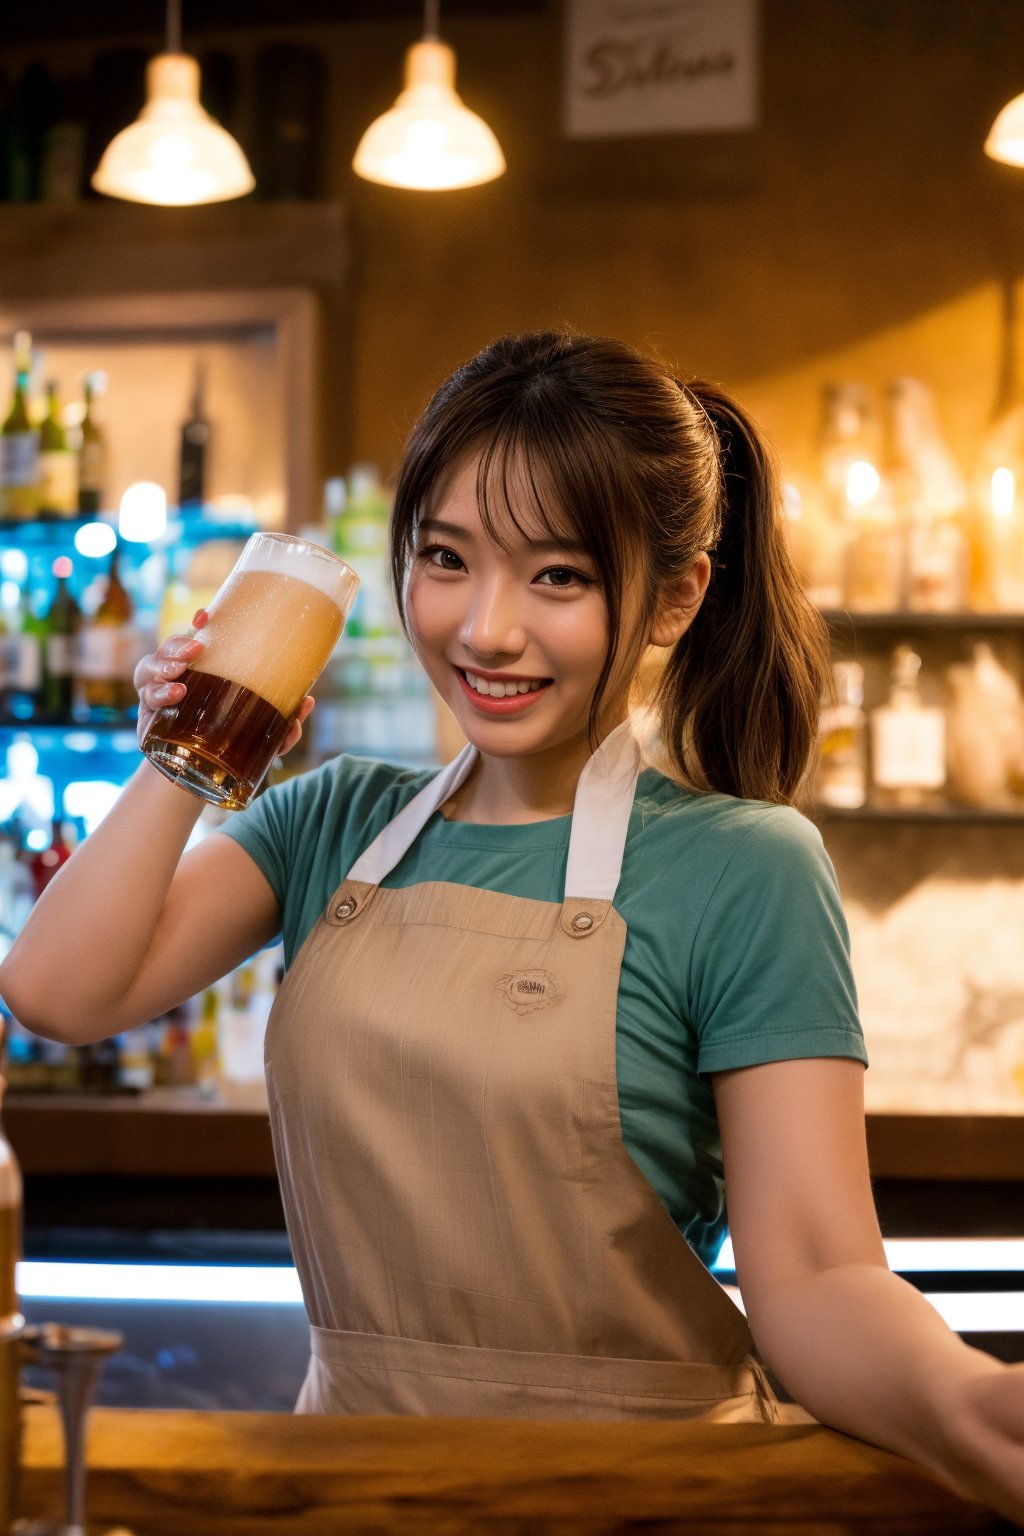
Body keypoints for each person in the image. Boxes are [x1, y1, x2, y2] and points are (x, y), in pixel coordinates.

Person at [1, 330, 1022, 1519]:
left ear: (675, 598)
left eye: (558, 576)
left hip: (642, 1501)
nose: (485, 629)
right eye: (445, 558)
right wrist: (189, 750)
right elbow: (57, 993)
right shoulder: (333, 821)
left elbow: (817, 1275)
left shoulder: (745, 867)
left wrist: (962, 1403)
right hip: (351, 1498)